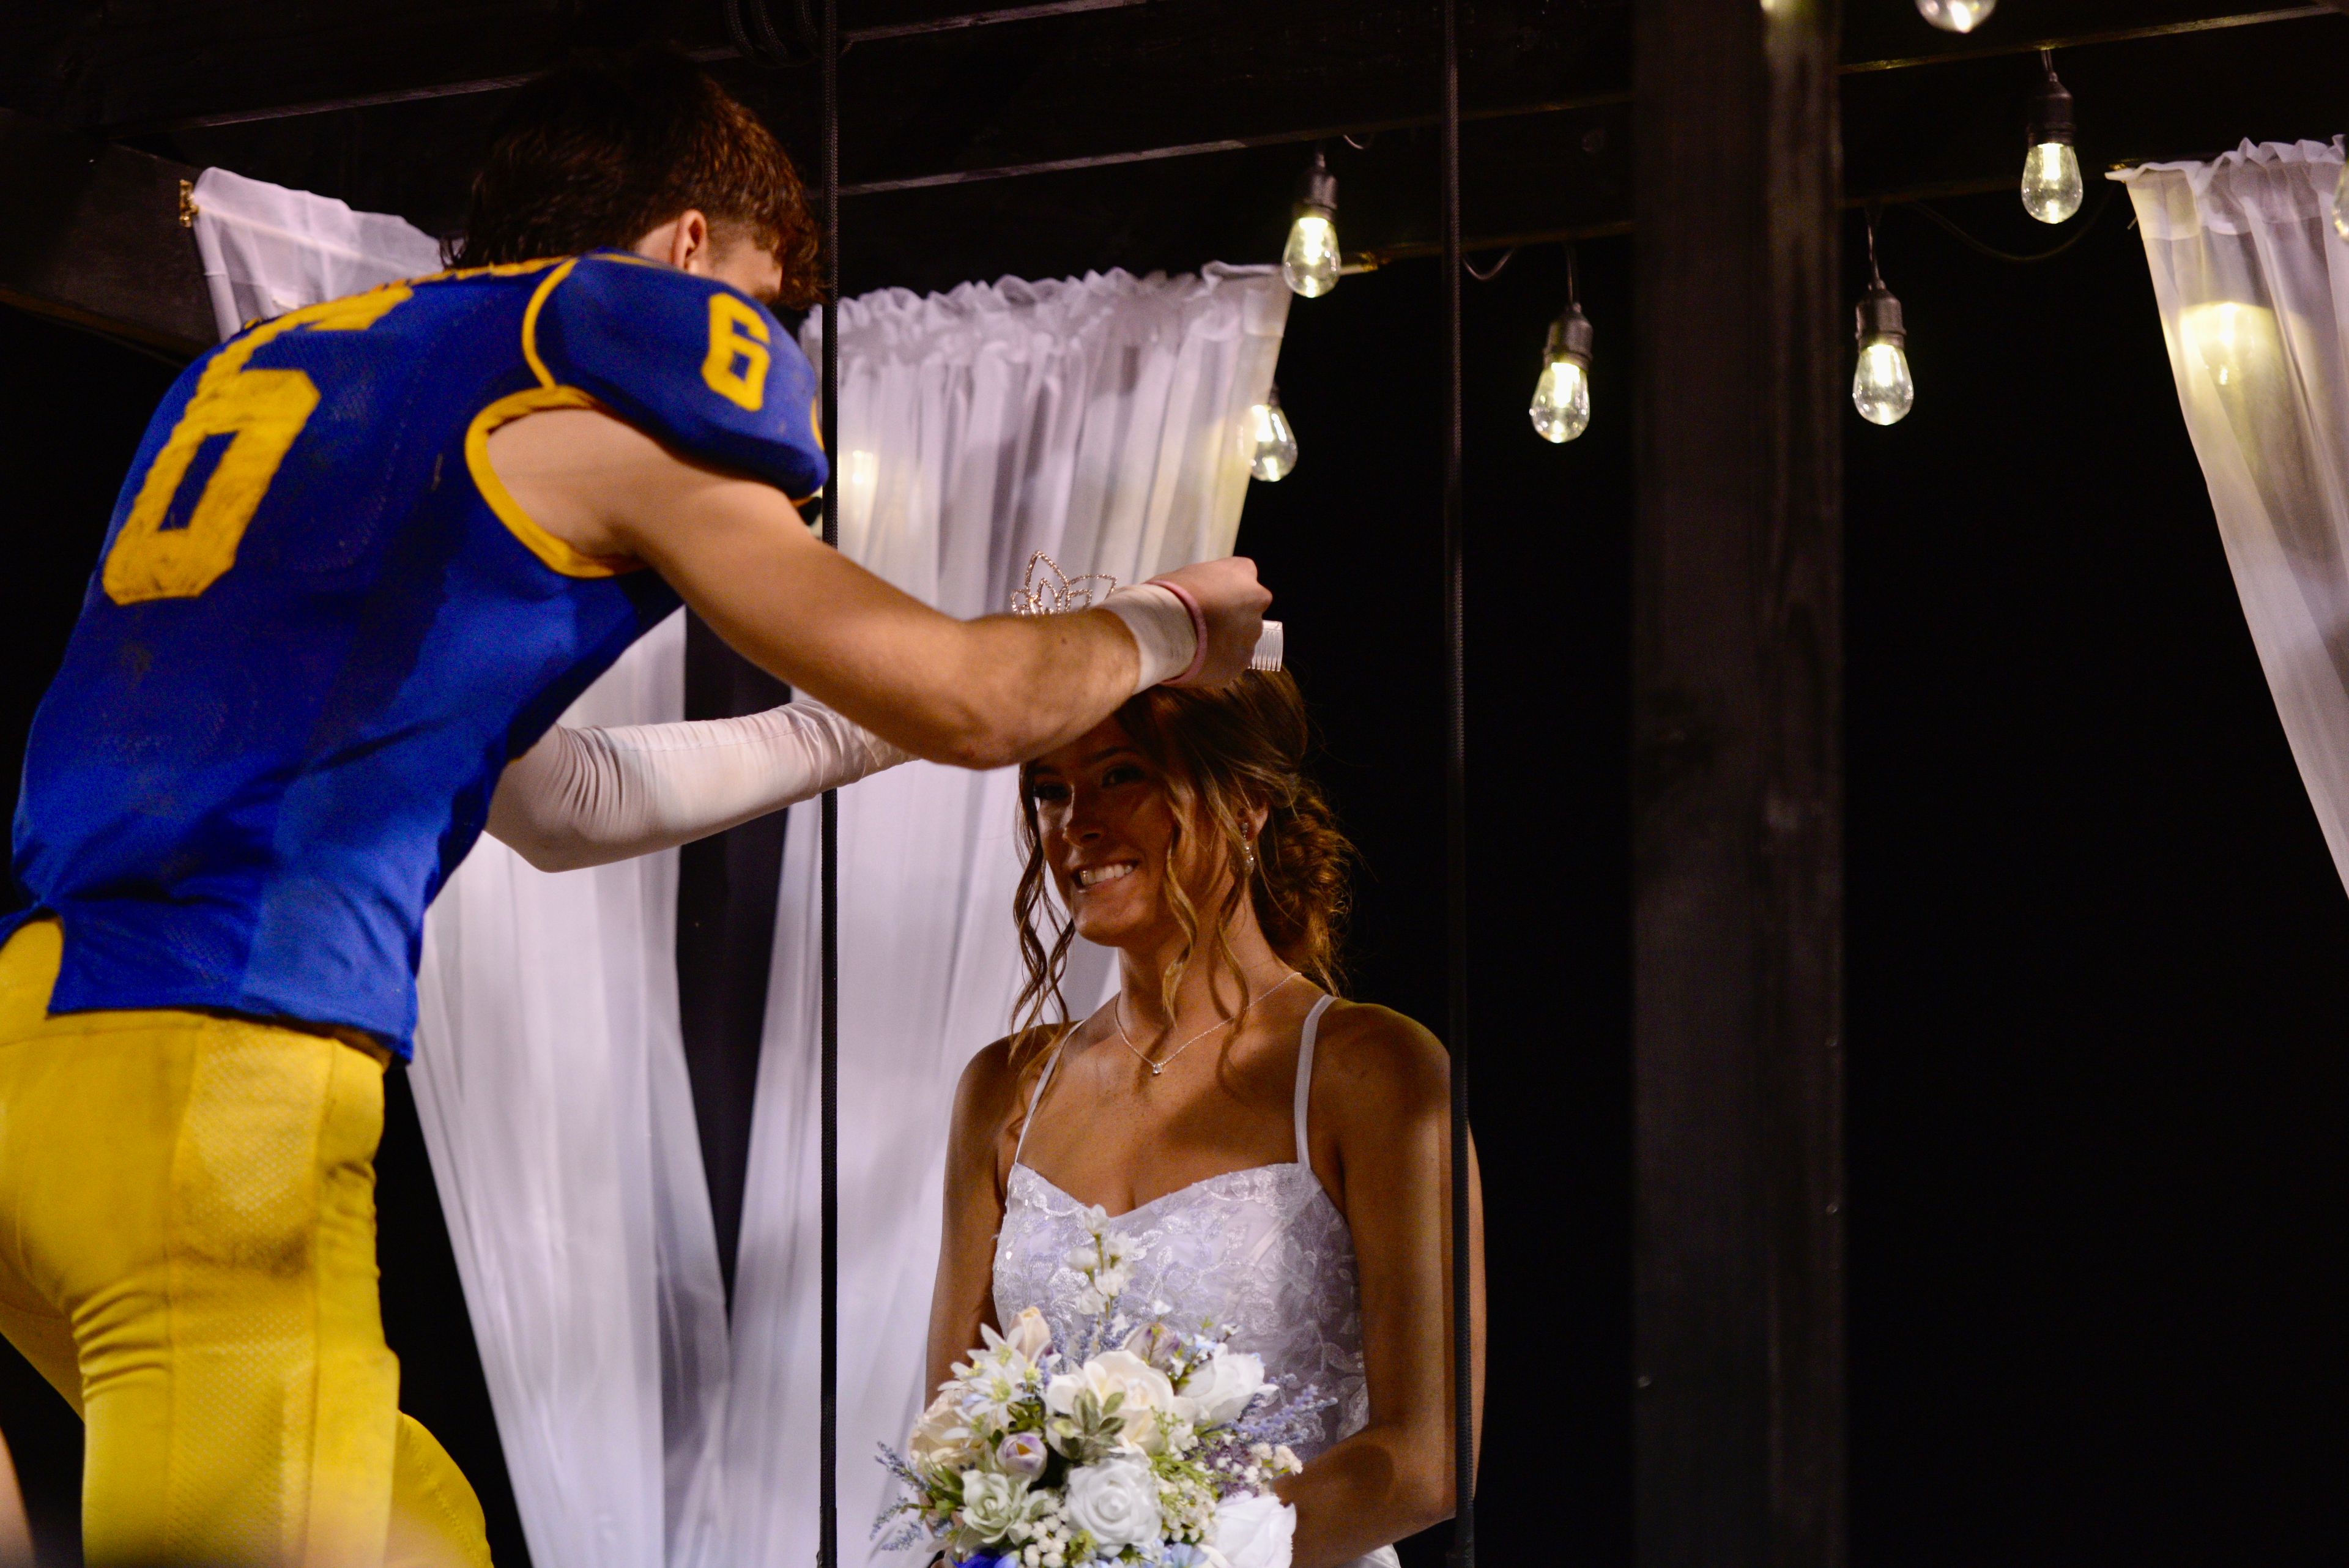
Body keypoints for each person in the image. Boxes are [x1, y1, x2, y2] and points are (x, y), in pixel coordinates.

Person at [0, 46, 1267, 1568]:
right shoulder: (586, 390)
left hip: (36, 1057)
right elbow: (975, 695)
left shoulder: (314, 376)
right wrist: (1171, 622)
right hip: (216, 1092)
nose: (757, 335)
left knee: (421, 1534)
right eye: (761, 294)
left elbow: (563, 799)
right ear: (686, 249)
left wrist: (841, 737)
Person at [926, 672, 1483, 1568]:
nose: (1077, 824)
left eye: (1121, 775)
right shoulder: (1003, 1089)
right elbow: (957, 1440)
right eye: (1049, 790)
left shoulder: (1372, 1071)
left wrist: (1165, 1556)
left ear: (1249, 804)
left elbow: (1426, 1462)